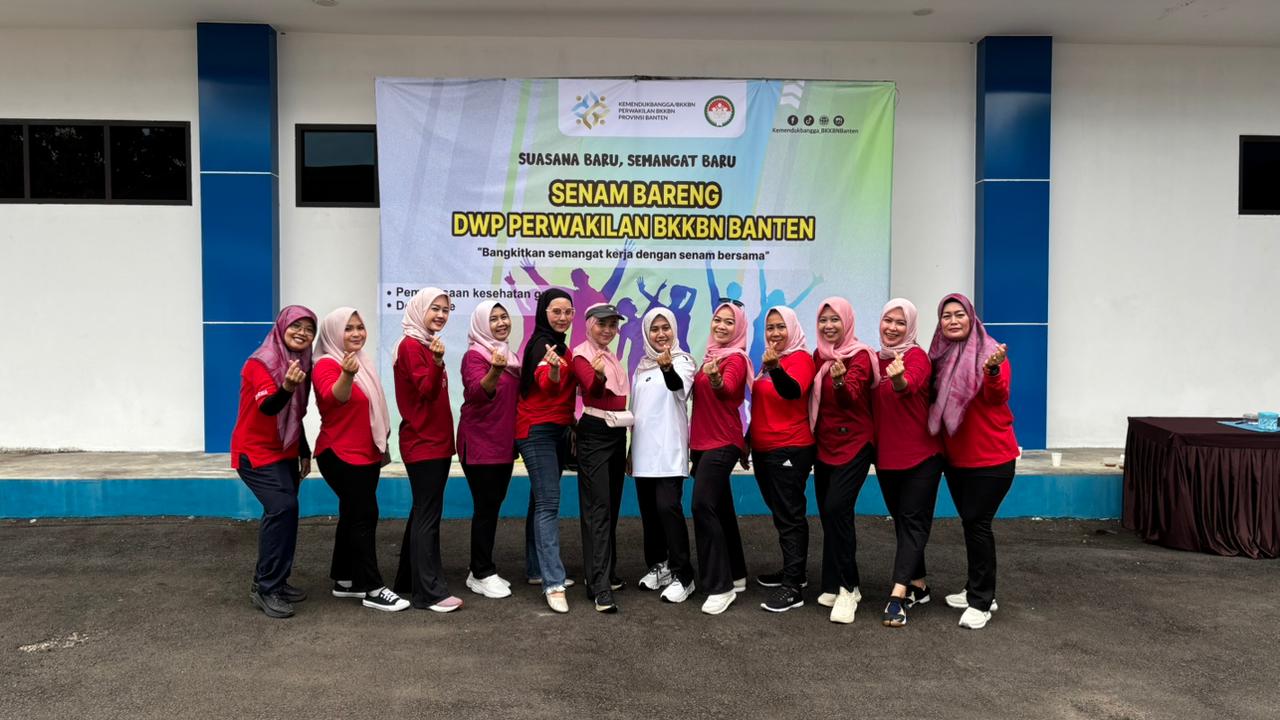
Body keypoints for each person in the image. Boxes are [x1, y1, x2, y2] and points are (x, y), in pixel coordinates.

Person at [928, 293, 1018, 630]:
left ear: (972, 317)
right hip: (956, 459)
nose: (953, 321)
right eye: (946, 315)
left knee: (978, 524)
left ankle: (982, 601)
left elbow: (998, 396)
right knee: (970, 523)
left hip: (991, 458)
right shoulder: (938, 355)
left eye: (959, 314)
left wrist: (991, 371)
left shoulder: (990, 353)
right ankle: (975, 588)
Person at [313, 307, 409, 612]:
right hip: (340, 454)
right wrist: (347, 375)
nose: (356, 333)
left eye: (360, 327)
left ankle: (345, 579)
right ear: (333, 333)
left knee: (352, 513)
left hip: (365, 454)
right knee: (364, 515)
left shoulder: (362, 361)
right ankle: (373, 588)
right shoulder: (326, 364)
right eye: (348, 328)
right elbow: (334, 397)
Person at [232, 305, 317, 619]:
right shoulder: (261, 362)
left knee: (287, 513)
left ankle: (275, 581)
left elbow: (296, 414)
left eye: (309, 328)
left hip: (285, 450)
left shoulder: (301, 363)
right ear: (281, 327)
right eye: (296, 326)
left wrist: (303, 450)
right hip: (255, 452)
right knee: (282, 508)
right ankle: (266, 589)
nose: (302, 333)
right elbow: (269, 407)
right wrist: (288, 387)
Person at [872, 298, 945, 628]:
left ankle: (897, 595)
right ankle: (919, 585)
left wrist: (898, 378)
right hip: (887, 459)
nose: (892, 327)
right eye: (888, 320)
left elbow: (908, 386)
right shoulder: (875, 359)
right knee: (903, 524)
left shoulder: (916, 357)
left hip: (922, 457)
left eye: (900, 322)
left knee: (913, 523)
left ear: (911, 327)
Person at [391, 289, 464, 613]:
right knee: (428, 516)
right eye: (435, 308)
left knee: (422, 511)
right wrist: (436, 363)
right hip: (424, 443)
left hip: (432, 442)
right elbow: (426, 390)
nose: (441, 315)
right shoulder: (412, 346)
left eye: (446, 309)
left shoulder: (423, 343)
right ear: (419, 309)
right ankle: (429, 593)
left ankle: (408, 580)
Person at [808, 297, 879, 624]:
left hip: (855, 443)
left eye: (835, 319)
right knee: (829, 513)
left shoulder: (860, 355)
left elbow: (851, 396)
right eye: (823, 320)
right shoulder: (818, 356)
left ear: (847, 321)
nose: (828, 326)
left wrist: (839, 381)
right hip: (825, 444)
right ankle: (834, 582)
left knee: (838, 508)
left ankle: (849, 589)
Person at [750, 306, 817, 613]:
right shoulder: (769, 360)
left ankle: (793, 587)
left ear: (792, 328)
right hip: (764, 449)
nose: (775, 332)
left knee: (790, 515)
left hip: (790, 448)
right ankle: (794, 572)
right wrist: (747, 441)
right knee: (780, 512)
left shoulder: (801, 358)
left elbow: (792, 392)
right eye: (770, 327)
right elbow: (762, 405)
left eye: (781, 327)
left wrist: (776, 368)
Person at [629, 308, 698, 603]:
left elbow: (677, 387)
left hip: (669, 451)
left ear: (674, 330)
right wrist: (630, 452)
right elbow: (637, 412)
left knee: (668, 508)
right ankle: (660, 566)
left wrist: (667, 368)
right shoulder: (641, 367)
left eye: (665, 328)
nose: (660, 334)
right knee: (650, 513)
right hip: (642, 453)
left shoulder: (683, 362)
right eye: (654, 329)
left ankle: (684, 575)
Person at [516, 288, 578, 613]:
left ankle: (536, 569)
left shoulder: (560, 345)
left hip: (555, 430)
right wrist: (554, 371)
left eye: (568, 311)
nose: (563, 317)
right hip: (537, 431)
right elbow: (546, 382)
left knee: (539, 501)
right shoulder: (544, 345)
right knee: (549, 504)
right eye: (556, 311)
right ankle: (553, 582)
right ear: (543, 312)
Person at [690, 300, 753, 615]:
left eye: (730, 322)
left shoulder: (736, 358)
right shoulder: (710, 356)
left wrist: (715, 379)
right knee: (722, 508)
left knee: (702, 506)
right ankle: (737, 574)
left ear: (739, 328)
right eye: (718, 320)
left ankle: (720, 587)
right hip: (703, 443)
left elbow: (728, 390)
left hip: (723, 442)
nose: (722, 326)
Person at [456, 300, 521, 600]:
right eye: (493, 319)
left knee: (493, 506)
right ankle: (481, 572)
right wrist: (495, 370)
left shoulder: (511, 356)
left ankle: (479, 569)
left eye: (504, 317)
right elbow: (477, 393)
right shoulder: (475, 355)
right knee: (485, 507)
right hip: (479, 443)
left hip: (502, 443)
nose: (501, 323)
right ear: (482, 324)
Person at [570, 303, 630, 613]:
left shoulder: (610, 356)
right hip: (595, 432)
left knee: (612, 504)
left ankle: (605, 572)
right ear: (589, 324)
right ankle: (599, 586)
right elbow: (591, 389)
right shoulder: (582, 355)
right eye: (602, 324)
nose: (608, 330)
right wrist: (596, 376)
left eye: (612, 325)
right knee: (598, 509)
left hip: (616, 432)